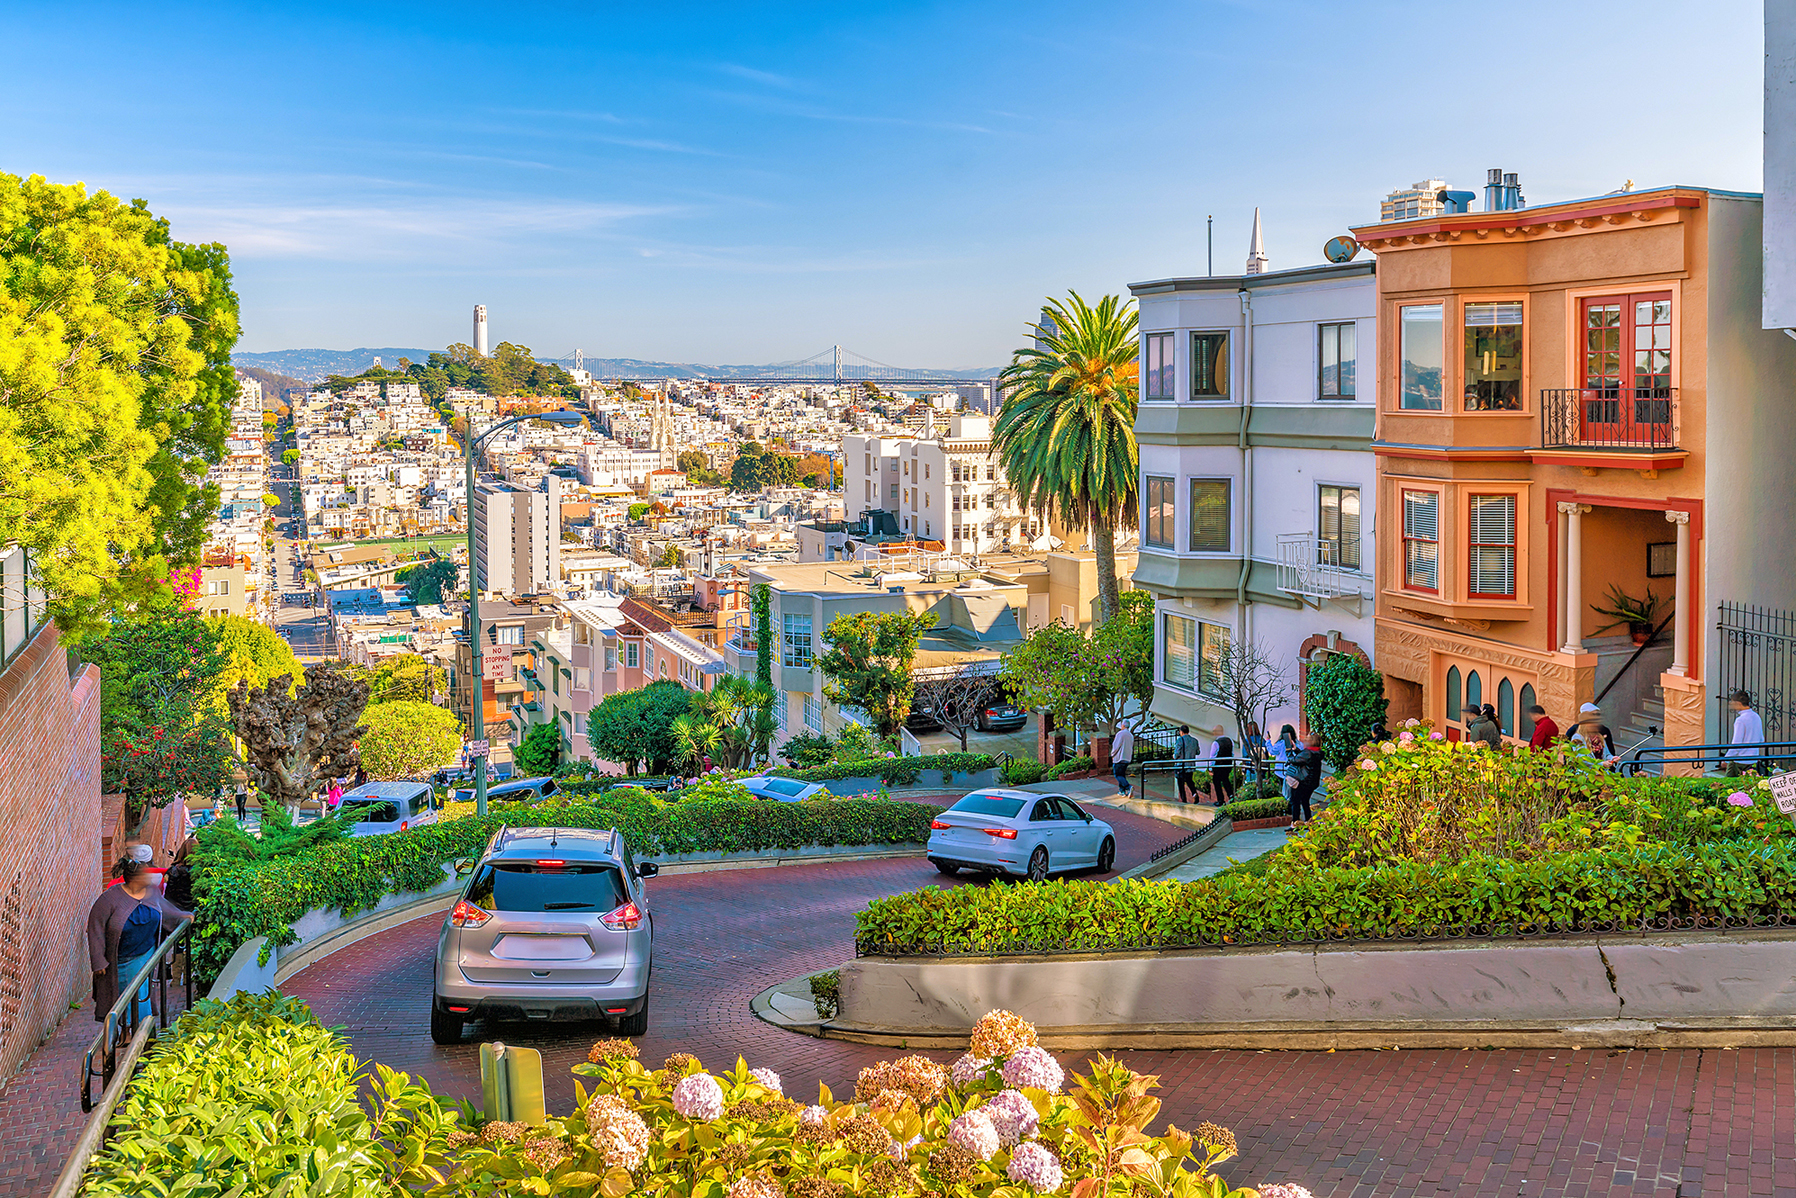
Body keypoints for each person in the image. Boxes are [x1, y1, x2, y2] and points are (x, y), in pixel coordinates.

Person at [88, 858, 188, 1027]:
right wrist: (99, 962)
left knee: (142, 996)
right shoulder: (109, 899)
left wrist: (183, 916)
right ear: (133, 880)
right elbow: (95, 928)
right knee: (129, 998)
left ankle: (140, 1032)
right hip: (122, 959)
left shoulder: (151, 893)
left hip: (146, 954)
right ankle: (132, 1032)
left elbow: (165, 908)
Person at [1725, 690, 1766, 776]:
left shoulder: (1740, 720)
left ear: (1738, 703)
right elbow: (1761, 739)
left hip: (1739, 760)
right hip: (1753, 759)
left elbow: (1736, 743)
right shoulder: (1756, 717)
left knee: (1728, 784)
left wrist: (1726, 759)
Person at [1287, 733, 1323, 823]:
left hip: (1302, 781)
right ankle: (1308, 820)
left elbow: (1294, 760)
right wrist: (1297, 750)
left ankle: (1295, 823)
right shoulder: (1317, 753)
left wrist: (1288, 751)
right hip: (1312, 782)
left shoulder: (1307, 753)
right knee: (1305, 801)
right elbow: (1304, 757)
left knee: (1295, 801)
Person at [1571, 702, 1619, 767]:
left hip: (1602, 772)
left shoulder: (1599, 736)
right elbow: (1581, 760)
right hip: (1586, 774)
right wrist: (1602, 764)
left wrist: (1612, 758)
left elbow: (1607, 754)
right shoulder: (1577, 737)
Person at [1173, 724, 1201, 804]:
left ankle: (1184, 800)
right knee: (1190, 782)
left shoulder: (1180, 740)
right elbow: (1198, 752)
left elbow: (1177, 753)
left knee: (1181, 784)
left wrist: (1174, 756)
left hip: (1181, 766)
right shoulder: (1195, 740)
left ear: (1181, 732)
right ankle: (1194, 793)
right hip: (1190, 766)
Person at [1207, 732, 1236, 806]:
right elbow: (1232, 753)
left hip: (1218, 766)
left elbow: (1212, 757)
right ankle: (1231, 796)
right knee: (1226, 780)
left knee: (1216, 782)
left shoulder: (1215, 743)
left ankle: (1220, 800)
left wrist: (1210, 768)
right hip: (1227, 765)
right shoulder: (1230, 741)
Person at [1271, 725, 1297, 806]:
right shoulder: (1297, 743)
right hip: (1293, 771)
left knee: (1283, 790)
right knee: (1292, 790)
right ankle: (1291, 803)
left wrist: (1268, 741)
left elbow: (1272, 751)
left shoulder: (1280, 744)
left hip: (1280, 771)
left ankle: (1285, 805)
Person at [1109, 720, 1135, 798]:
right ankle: (1122, 790)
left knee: (1117, 774)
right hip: (1127, 758)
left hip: (1119, 757)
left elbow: (1116, 746)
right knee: (1122, 774)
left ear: (1122, 725)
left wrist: (1112, 754)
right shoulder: (1130, 735)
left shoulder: (1120, 734)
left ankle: (1128, 787)